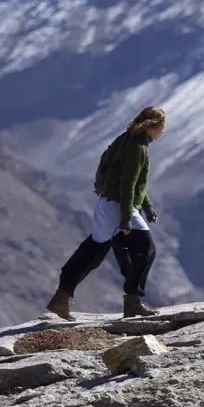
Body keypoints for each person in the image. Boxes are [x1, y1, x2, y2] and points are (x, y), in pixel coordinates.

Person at [47, 106, 167, 320]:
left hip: (108, 203)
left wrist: (147, 207)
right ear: (153, 127)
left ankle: (61, 297)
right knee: (146, 250)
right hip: (120, 207)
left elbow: (135, 184)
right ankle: (132, 302)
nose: (163, 133)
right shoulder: (138, 148)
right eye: (162, 128)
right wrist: (126, 219)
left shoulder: (125, 139)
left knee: (93, 251)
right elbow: (128, 185)